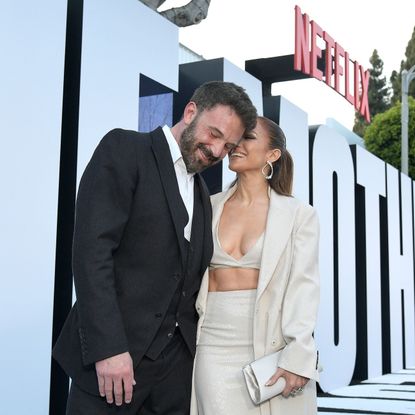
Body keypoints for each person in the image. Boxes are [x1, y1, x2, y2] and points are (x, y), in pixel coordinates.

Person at [52, 81, 257, 415]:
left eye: (228, 146)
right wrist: (108, 350)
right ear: (190, 112)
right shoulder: (125, 149)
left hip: (173, 383)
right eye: (215, 134)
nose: (218, 152)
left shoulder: (203, 195)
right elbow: (92, 254)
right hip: (111, 373)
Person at [191, 116, 320, 415]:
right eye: (235, 139)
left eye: (248, 137)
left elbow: (304, 287)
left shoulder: (299, 215)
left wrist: (299, 354)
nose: (236, 145)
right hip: (212, 343)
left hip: (272, 345)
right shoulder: (206, 207)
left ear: (272, 154)